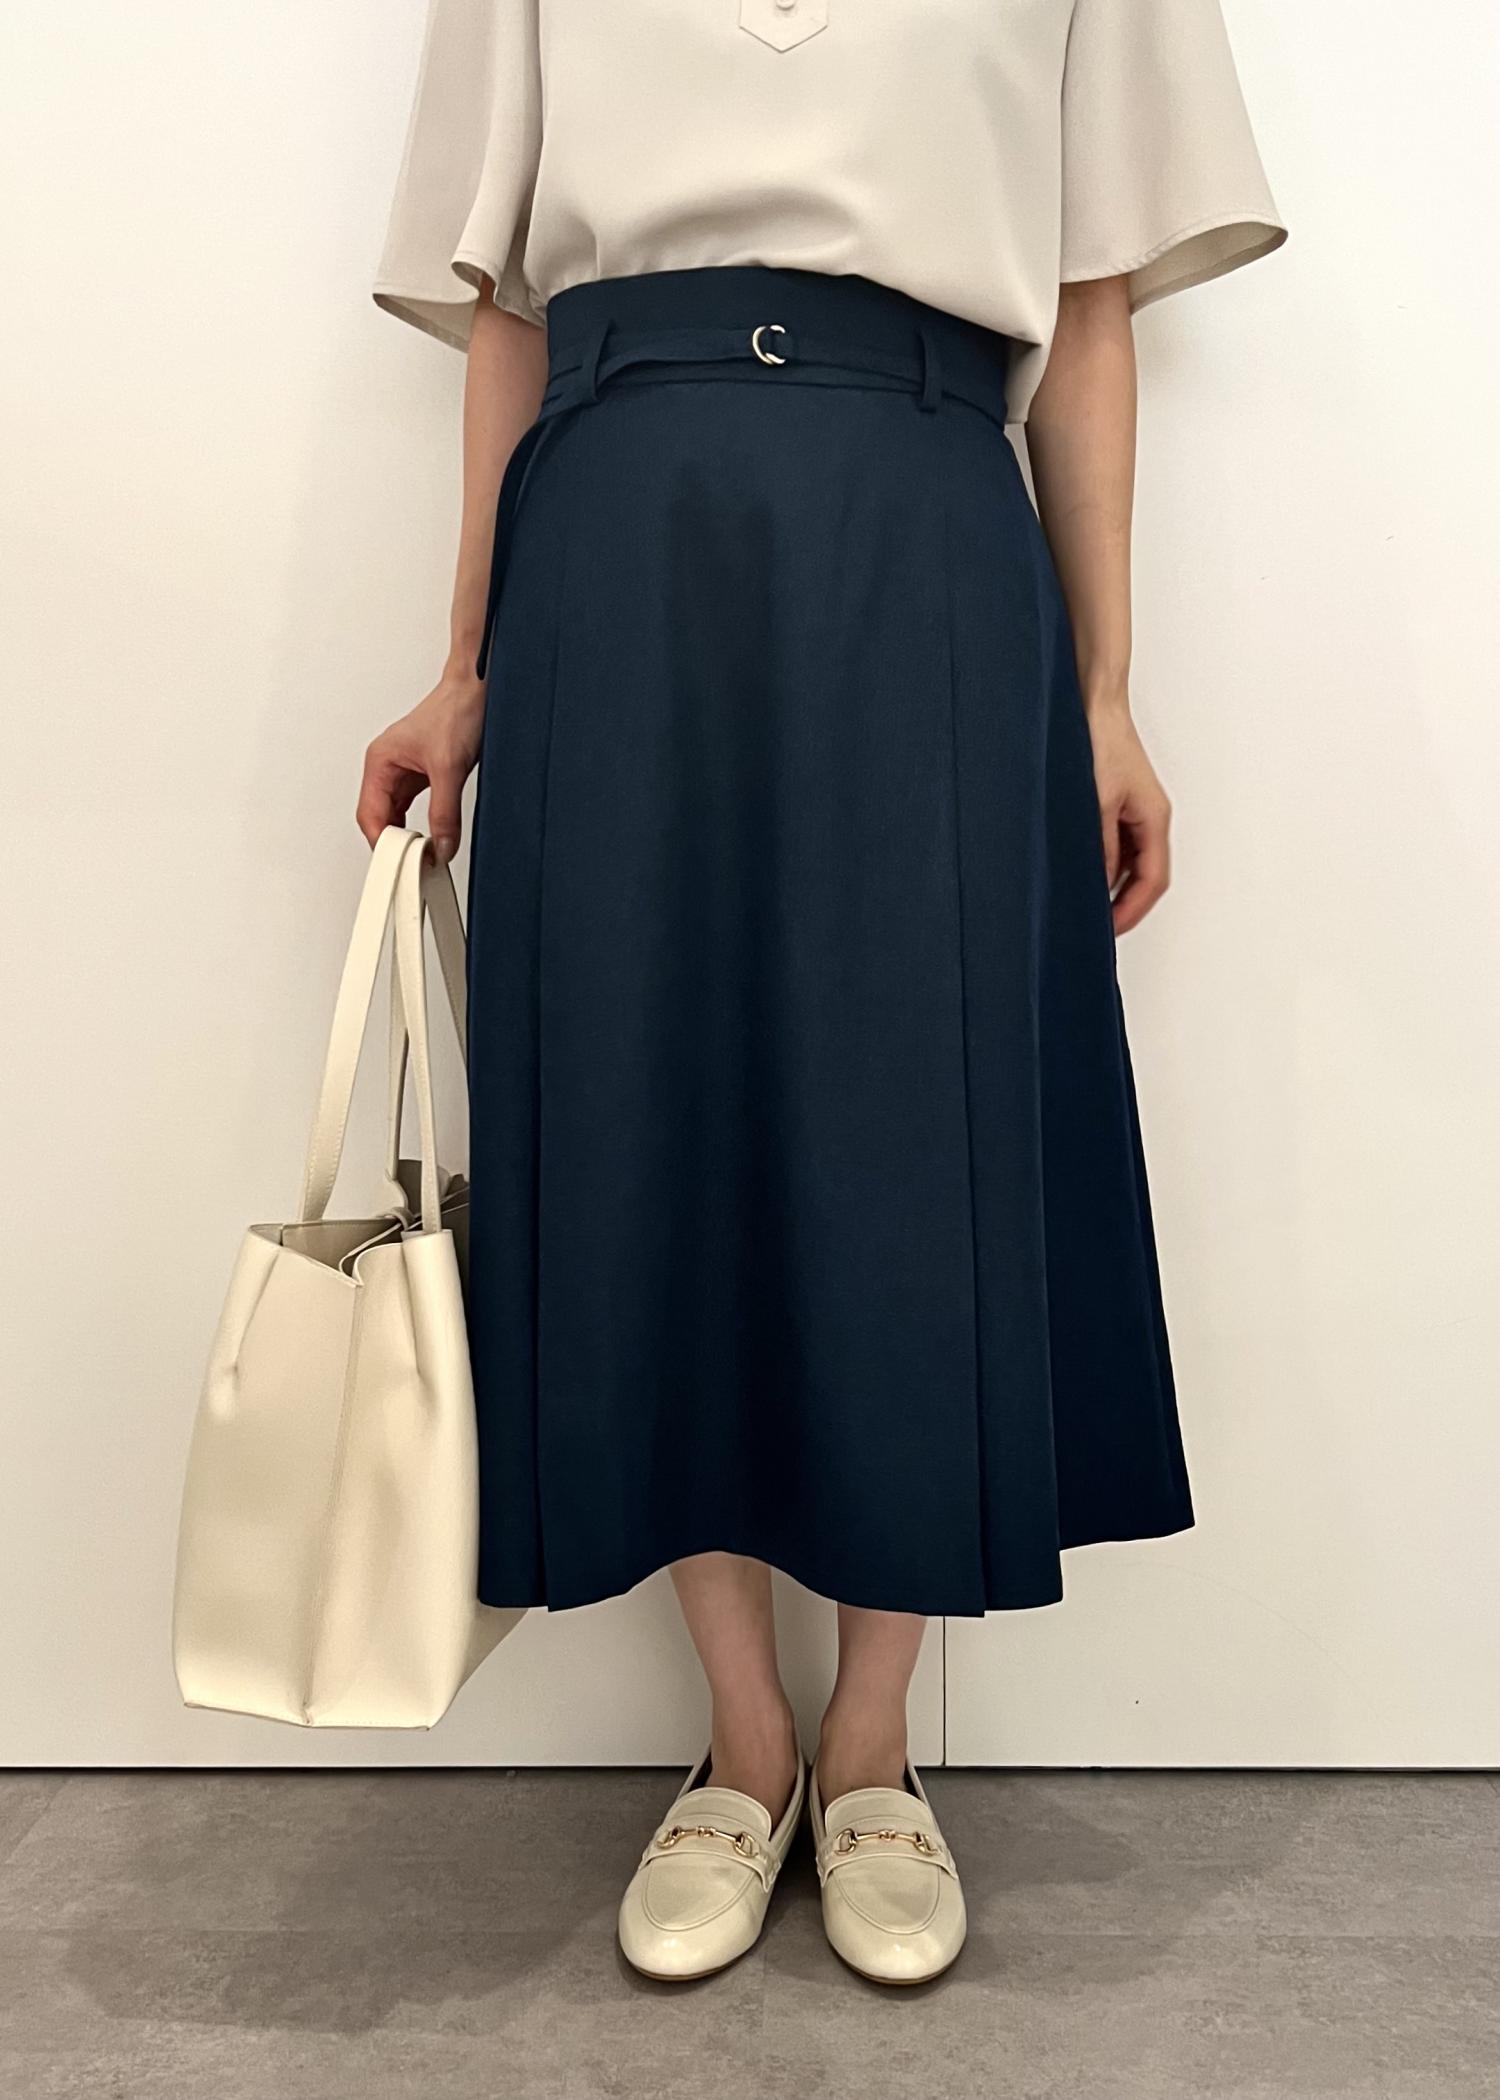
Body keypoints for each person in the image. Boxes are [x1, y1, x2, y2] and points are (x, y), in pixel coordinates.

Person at [357, 0, 1286, 1986]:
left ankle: (872, 1743)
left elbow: (1087, 301)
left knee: (909, 1129)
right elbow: (507, 304)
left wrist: (1107, 693)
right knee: (644, 1114)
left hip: (925, 535)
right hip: (619, 546)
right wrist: (465, 662)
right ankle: (744, 1739)